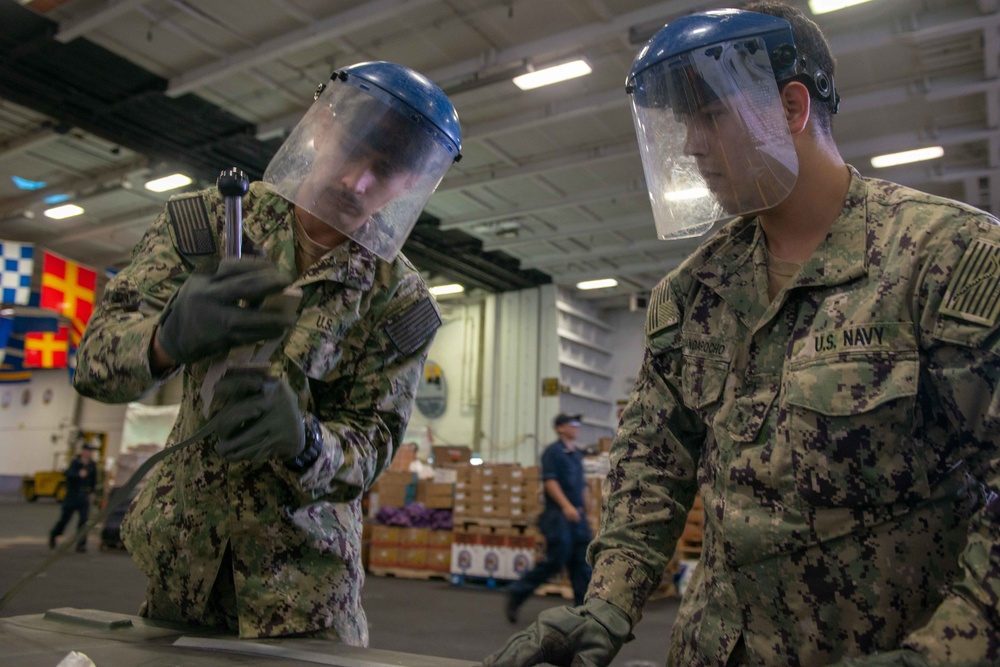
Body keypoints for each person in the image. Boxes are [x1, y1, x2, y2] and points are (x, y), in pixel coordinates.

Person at [482, 3, 1000, 666]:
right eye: (683, 123)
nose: (693, 144)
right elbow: (652, 463)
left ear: (790, 107)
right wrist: (607, 600)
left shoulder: (946, 259)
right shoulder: (691, 295)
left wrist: (946, 649)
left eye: (709, 116)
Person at [73, 61, 462, 644]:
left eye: (385, 172)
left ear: (409, 184)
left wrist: (306, 443)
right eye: (354, 149)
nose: (357, 182)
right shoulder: (206, 226)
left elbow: (371, 446)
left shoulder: (397, 301)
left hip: (305, 597)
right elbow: (94, 363)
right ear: (323, 126)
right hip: (183, 573)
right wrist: (162, 341)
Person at [505, 413, 592, 623]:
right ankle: (517, 593)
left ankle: (582, 610)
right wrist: (567, 506)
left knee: (582, 563)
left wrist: (587, 508)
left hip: (577, 517)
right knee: (556, 560)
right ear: (560, 428)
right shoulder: (553, 452)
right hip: (559, 516)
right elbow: (550, 482)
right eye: (572, 425)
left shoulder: (576, 454)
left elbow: (582, 485)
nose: (576, 428)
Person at [48, 441, 98, 553]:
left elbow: (94, 480)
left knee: (83, 521)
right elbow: (68, 474)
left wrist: (92, 492)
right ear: (83, 451)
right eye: (88, 451)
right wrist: (78, 474)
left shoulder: (92, 465)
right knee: (64, 520)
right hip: (72, 496)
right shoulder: (75, 462)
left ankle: (81, 544)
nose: (90, 453)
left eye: (91, 451)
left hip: (84, 496)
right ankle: (54, 534)